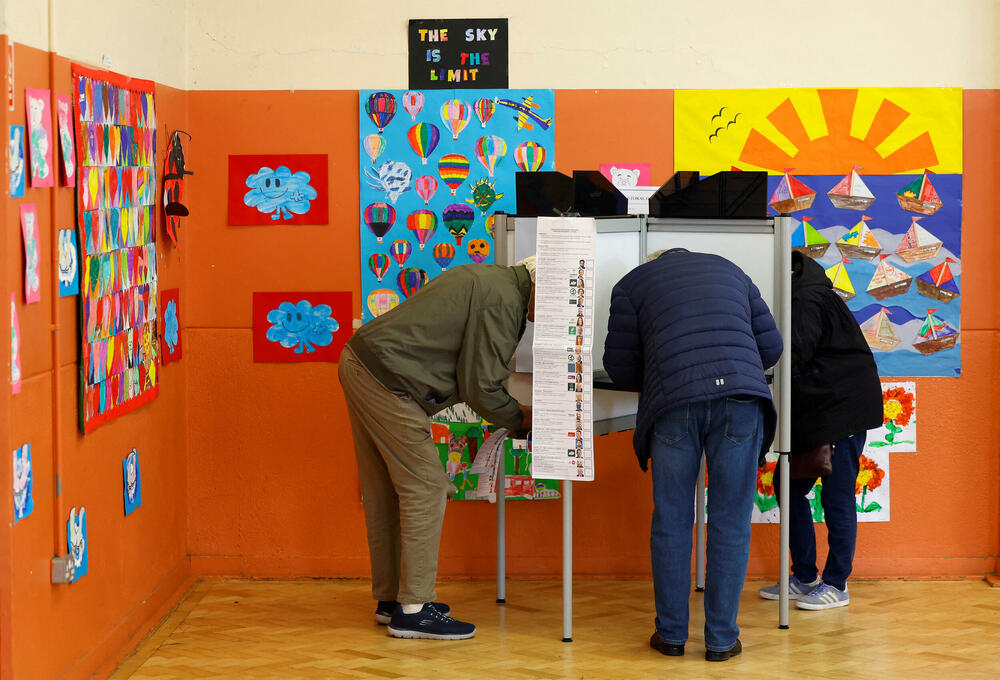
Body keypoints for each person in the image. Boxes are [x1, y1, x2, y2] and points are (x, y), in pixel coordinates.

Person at [339, 256, 536, 640]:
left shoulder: (494, 280)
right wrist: (523, 419)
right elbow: (481, 387)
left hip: (362, 362)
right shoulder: (504, 301)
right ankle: (413, 610)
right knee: (427, 487)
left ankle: (392, 601)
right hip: (391, 382)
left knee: (385, 490)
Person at [603, 248, 782, 662]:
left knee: (672, 519)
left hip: (674, 405)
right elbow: (771, 347)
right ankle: (721, 640)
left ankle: (670, 636)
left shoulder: (632, 284)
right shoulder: (733, 269)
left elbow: (620, 368)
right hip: (741, 400)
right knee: (731, 522)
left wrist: (665, 367)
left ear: (656, 261)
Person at [758, 250, 882, 610]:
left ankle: (837, 582)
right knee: (789, 487)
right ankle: (805, 575)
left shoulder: (806, 299)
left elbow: (795, 354)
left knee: (836, 495)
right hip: (819, 407)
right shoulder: (809, 292)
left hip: (840, 410)